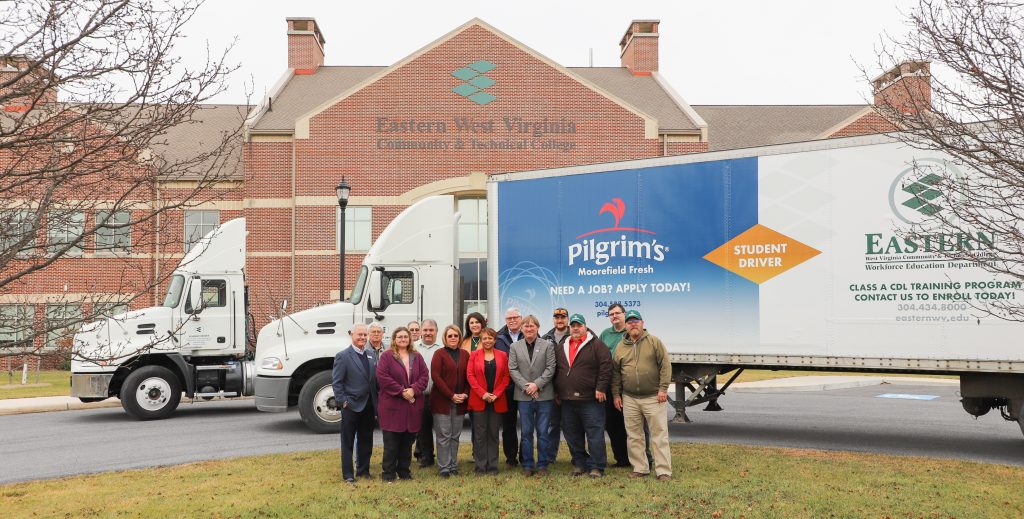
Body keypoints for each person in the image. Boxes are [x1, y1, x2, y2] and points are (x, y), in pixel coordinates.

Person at [612, 310, 673, 481]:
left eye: (636, 321)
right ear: (626, 325)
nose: (633, 324)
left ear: (642, 323)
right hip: (629, 398)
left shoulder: (654, 342)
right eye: (630, 322)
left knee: (659, 435)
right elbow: (615, 373)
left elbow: (665, 366)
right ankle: (640, 468)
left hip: (653, 397)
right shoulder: (620, 347)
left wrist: (663, 389)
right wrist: (616, 395)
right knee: (634, 435)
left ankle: (663, 471)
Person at [555, 313, 612, 478]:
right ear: (569, 328)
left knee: (594, 434)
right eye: (573, 326)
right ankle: (579, 463)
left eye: (578, 325)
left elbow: (606, 367)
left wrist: (601, 388)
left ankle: (596, 466)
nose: (575, 328)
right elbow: (556, 370)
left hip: (591, 400)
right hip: (567, 400)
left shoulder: (597, 345)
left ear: (585, 327)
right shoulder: (562, 345)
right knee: (572, 435)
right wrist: (557, 392)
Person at [376, 326, 429, 482]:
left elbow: (424, 376)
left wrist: (413, 389)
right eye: (399, 337)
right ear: (394, 339)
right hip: (392, 407)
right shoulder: (386, 356)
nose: (403, 339)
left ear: (410, 339)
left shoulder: (416, 356)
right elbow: (383, 377)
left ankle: (404, 472)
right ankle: (388, 474)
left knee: (407, 442)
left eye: (405, 337)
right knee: (392, 443)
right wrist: (402, 391)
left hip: (412, 407)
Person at [507, 314, 556, 476]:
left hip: (544, 395)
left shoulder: (547, 345)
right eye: (526, 326)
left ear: (537, 328)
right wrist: (526, 386)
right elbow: (512, 369)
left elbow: (551, 368)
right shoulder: (515, 347)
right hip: (523, 396)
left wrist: (537, 385)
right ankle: (528, 465)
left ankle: (542, 464)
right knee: (526, 433)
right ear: (521, 328)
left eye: (532, 326)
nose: (529, 329)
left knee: (543, 432)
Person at [331, 323, 378, 483]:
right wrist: (343, 401)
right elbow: (337, 382)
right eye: (360, 335)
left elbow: (373, 380)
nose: (363, 338)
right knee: (348, 442)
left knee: (366, 440)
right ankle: (348, 475)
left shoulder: (371, 354)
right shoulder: (343, 356)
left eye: (365, 335)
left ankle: (363, 471)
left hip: (369, 406)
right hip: (351, 406)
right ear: (352, 334)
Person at [466, 327, 509, 474]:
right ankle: (480, 466)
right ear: (481, 340)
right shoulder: (474, 355)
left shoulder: (503, 355)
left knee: (493, 434)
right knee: (479, 435)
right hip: (479, 400)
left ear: (495, 340)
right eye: (484, 338)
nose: (487, 341)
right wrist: (483, 394)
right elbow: (470, 376)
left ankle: (492, 466)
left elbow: (506, 377)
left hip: (497, 400)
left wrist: (496, 394)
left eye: (490, 338)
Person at [430, 324, 470, 478]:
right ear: (445, 338)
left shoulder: (465, 354)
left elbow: (469, 376)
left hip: (460, 402)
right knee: (444, 436)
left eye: (456, 336)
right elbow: (436, 377)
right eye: (450, 336)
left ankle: (453, 465)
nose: (453, 338)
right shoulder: (439, 354)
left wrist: (465, 394)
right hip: (442, 402)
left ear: (459, 338)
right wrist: (451, 395)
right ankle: (444, 467)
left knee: (455, 436)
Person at [599, 303, 630, 468]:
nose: (614, 316)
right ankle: (621, 460)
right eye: (611, 314)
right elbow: (598, 355)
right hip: (610, 386)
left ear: (624, 314)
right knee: (612, 425)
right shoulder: (605, 334)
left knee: (632, 426)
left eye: (617, 313)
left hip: (628, 387)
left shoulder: (630, 332)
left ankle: (642, 459)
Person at [494, 307, 524, 468]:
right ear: (505, 320)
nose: (512, 320)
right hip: (507, 388)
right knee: (508, 425)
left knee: (526, 425)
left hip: (526, 387)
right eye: (509, 318)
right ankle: (511, 459)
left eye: (515, 317)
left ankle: (525, 458)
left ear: (521, 318)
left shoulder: (529, 332)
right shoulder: (498, 337)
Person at [541, 307, 570, 467]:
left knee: (572, 426)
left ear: (567, 319)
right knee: (552, 425)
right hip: (551, 389)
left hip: (570, 388)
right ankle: (550, 456)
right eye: (557, 317)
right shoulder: (546, 338)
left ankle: (577, 456)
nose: (560, 320)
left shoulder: (575, 335)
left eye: (563, 317)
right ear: (553, 319)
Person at [413, 319, 442, 468]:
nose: (428, 333)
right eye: (425, 330)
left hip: (439, 395)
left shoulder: (442, 348)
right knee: (423, 428)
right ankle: (427, 457)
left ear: (436, 331)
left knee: (441, 428)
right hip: (420, 395)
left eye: (431, 330)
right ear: (420, 331)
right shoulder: (413, 348)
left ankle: (444, 459)